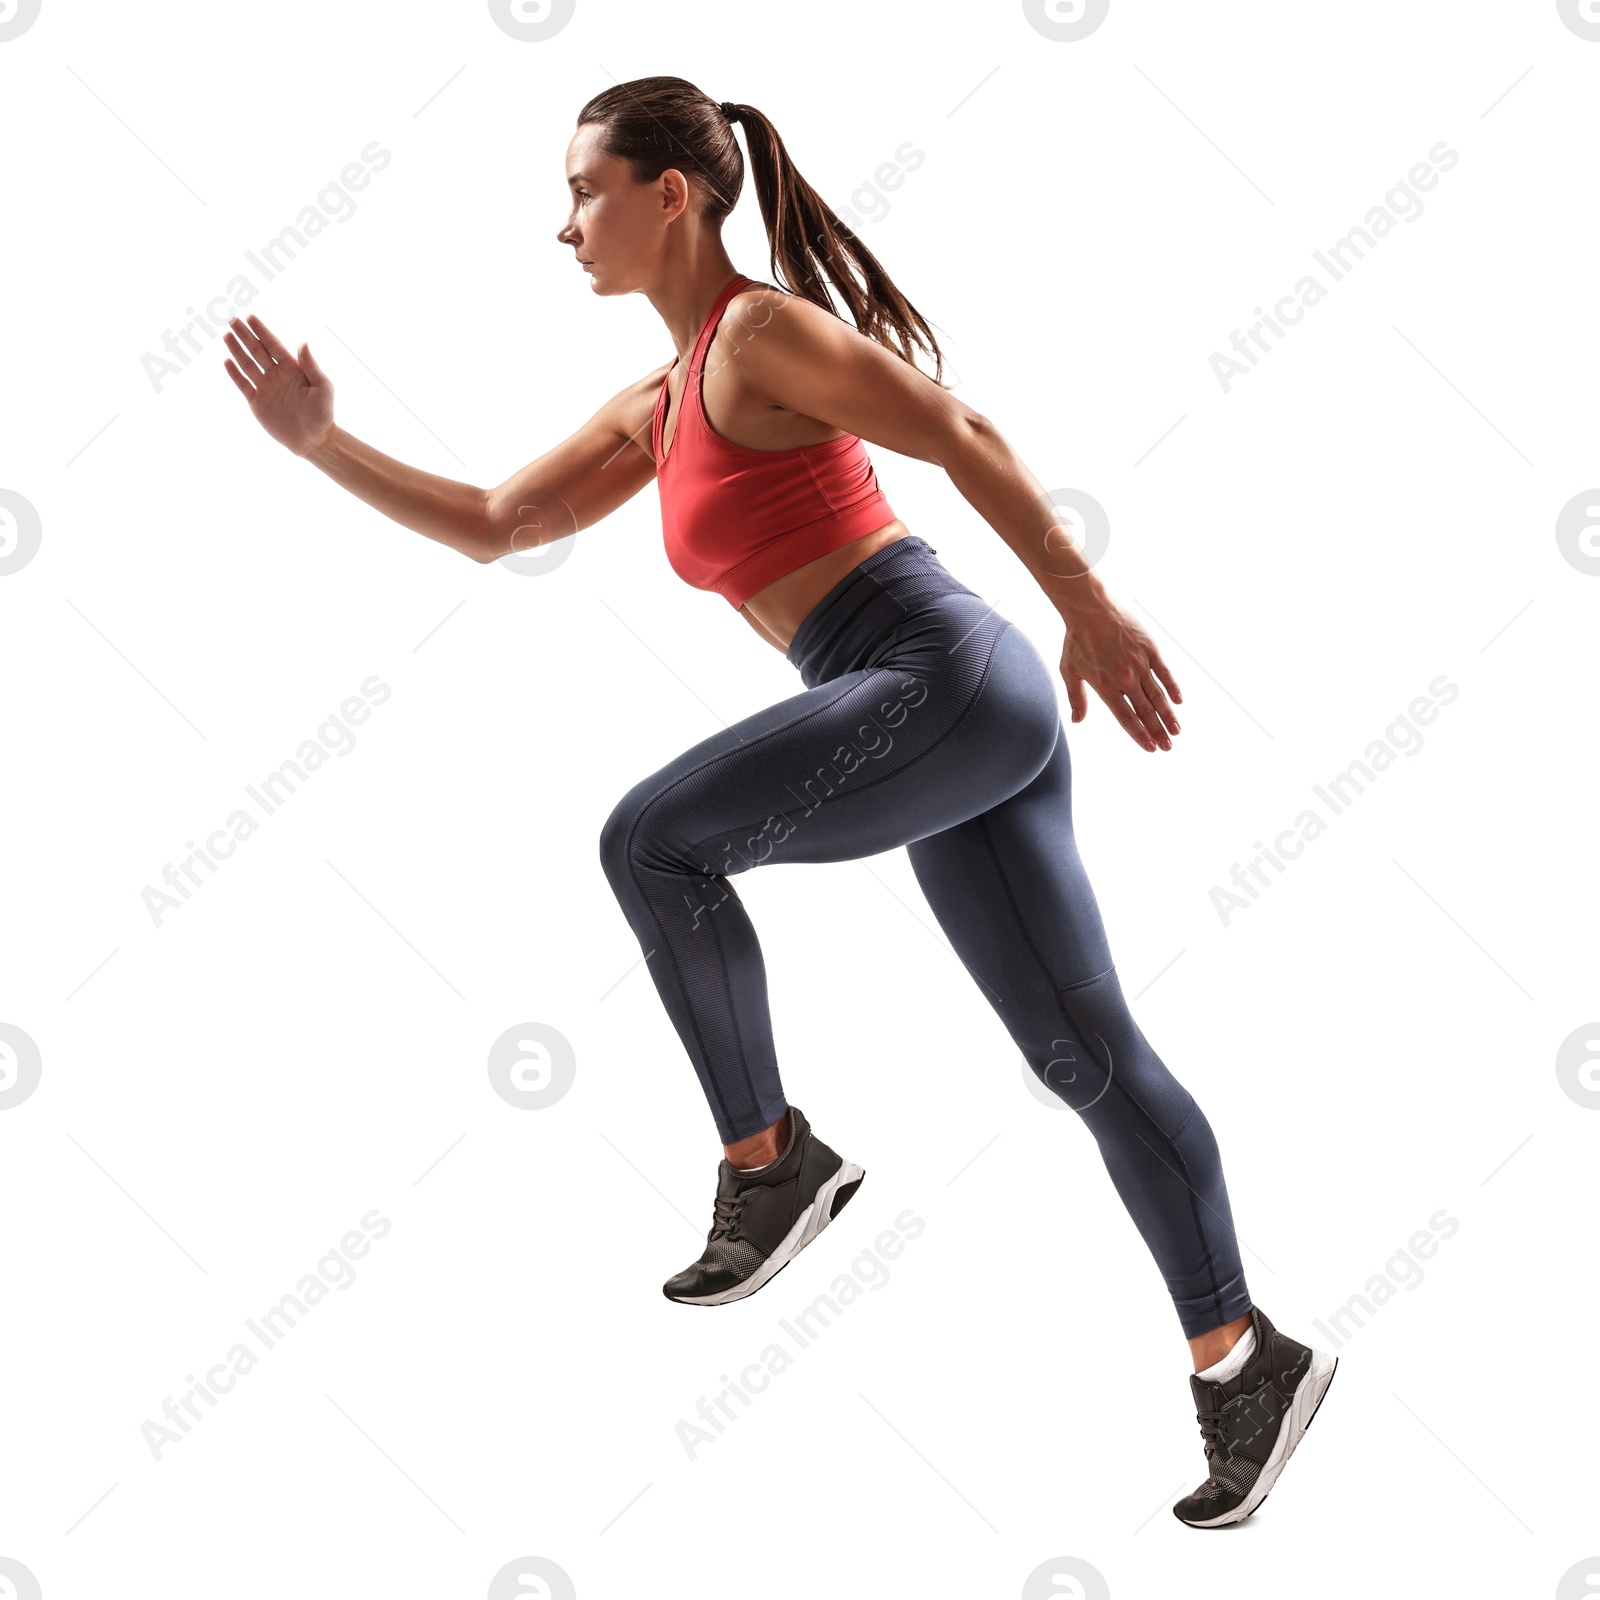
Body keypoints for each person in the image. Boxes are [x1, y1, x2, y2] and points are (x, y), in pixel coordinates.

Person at [221, 74, 1337, 1529]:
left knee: (651, 840)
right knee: (1087, 1056)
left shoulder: (760, 334)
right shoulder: (660, 397)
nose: (563, 226)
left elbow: (963, 430)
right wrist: (322, 446)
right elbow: (500, 525)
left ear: (668, 193)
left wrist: (1092, 609)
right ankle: (1246, 1360)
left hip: (937, 672)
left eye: (583, 191)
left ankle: (773, 1162)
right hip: (914, 713)